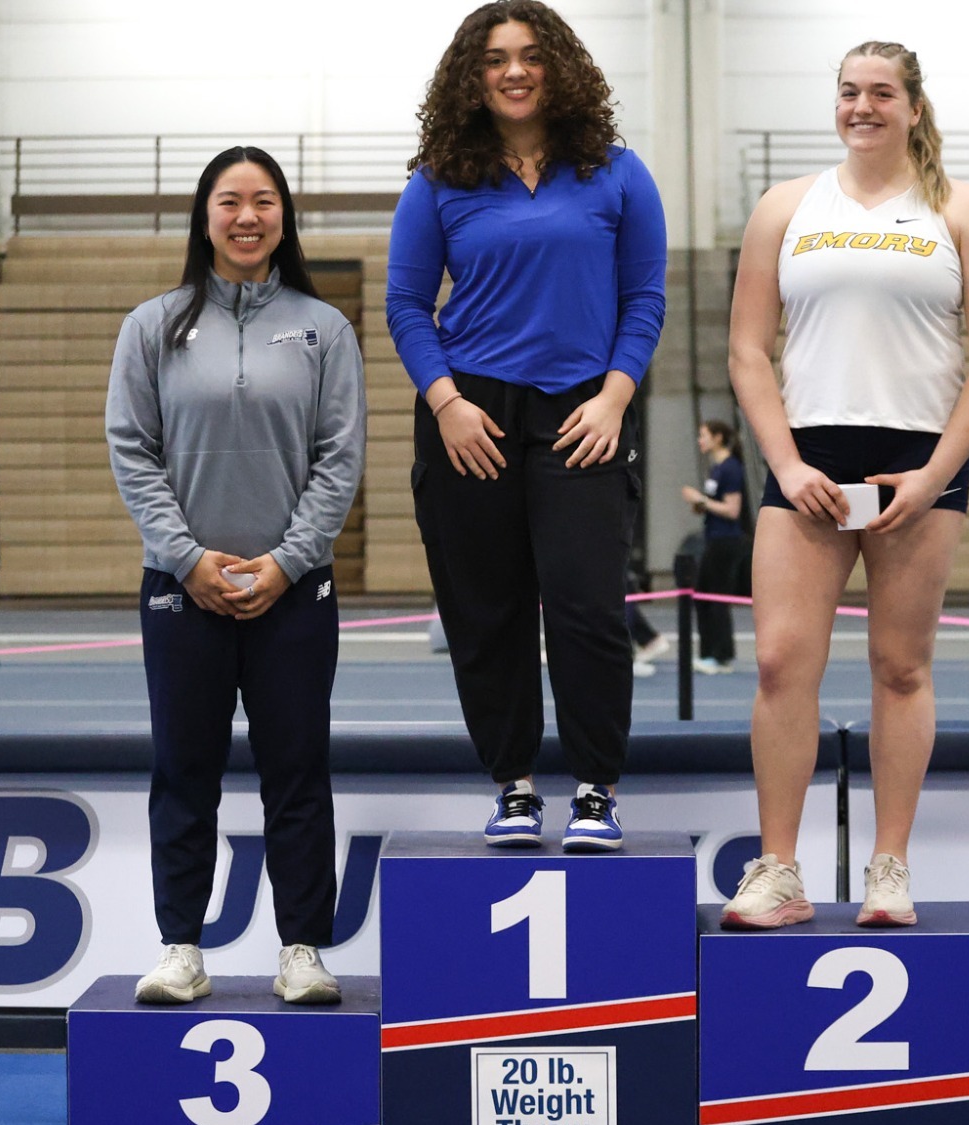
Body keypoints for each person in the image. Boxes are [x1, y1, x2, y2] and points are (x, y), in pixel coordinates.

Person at [720, 42, 969, 929]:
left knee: (900, 666)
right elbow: (747, 349)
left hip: (916, 467)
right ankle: (780, 870)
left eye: (881, 93)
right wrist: (786, 463)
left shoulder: (964, 210)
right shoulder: (785, 207)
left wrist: (934, 476)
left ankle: (889, 866)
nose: (861, 106)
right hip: (807, 461)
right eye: (848, 92)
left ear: (914, 108)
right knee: (780, 663)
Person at [387, 0, 666, 852]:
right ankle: (512, 786)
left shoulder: (617, 172)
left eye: (531, 54)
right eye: (496, 58)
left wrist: (617, 396)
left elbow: (645, 297)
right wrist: (447, 403)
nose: (514, 70)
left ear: (559, 67)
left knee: (586, 605)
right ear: (472, 77)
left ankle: (594, 789)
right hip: (469, 413)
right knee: (487, 612)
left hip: (583, 409)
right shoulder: (440, 178)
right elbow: (406, 304)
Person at [107, 146, 365, 1005]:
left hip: (296, 595)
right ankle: (181, 945)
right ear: (204, 215)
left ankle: (302, 948)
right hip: (183, 595)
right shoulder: (153, 326)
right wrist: (190, 560)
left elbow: (339, 459)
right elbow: (133, 452)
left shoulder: (324, 329)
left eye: (263, 201)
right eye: (230, 200)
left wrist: (288, 563)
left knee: (298, 772)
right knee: (185, 771)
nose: (247, 216)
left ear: (283, 216)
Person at [679, 419, 748, 674]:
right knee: (702, 595)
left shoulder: (730, 468)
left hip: (726, 541)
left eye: (704, 435)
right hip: (714, 537)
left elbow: (732, 510)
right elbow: (713, 504)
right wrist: (701, 504)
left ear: (718, 438)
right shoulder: (716, 468)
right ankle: (709, 652)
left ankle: (720, 656)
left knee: (715, 597)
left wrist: (701, 501)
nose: (700, 441)